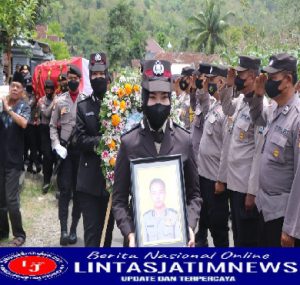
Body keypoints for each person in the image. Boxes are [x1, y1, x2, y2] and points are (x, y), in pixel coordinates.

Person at [112, 59, 201, 247]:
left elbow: (194, 196)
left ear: (170, 99)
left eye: (164, 97)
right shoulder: (129, 142)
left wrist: (190, 225)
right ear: (144, 99)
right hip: (139, 241)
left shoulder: (184, 141)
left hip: (176, 239)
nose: (159, 104)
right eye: (152, 97)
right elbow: (119, 200)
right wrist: (130, 233)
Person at [250, 53, 300, 247]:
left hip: (283, 216)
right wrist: (258, 94)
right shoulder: (274, 109)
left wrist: (291, 228)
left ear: (287, 80)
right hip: (265, 209)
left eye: (272, 78)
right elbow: (256, 118)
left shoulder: (297, 118)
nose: (268, 81)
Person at [219, 55, 265, 246]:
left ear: (255, 78)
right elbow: (227, 108)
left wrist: (252, 192)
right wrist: (229, 86)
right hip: (234, 185)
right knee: (237, 238)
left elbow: (258, 154)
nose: (239, 80)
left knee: (246, 242)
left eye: (241, 77)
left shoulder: (262, 109)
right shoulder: (242, 103)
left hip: (246, 188)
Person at [76, 52, 114, 247]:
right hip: (89, 182)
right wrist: (105, 142)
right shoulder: (83, 107)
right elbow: (80, 140)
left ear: (107, 75)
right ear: (90, 76)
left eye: (101, 74)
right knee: (92, 236)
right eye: (94, 74)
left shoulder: (118, 105)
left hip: (110, 184)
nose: (98, 77)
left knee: (106, 237)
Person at [195, 65, 230, 247]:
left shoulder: (227, 110)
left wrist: (221, 180)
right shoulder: (215, 104)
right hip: (204, 175)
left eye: (211, 79)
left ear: (222, 82)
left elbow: (226, 147)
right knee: (204, 220)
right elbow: (201, 99)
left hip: (215, 180)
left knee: (218, 228)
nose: (208, 82)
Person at [50, 64, 82, 246]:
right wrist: (56, 145)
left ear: (80, 80)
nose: (72, 81)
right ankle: (63, 229)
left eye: (75, 78)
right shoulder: (60, 101)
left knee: (78, 192)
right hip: (65, 151)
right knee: (64, 191)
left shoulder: (85, 100)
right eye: (69, 78)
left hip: (80, 152)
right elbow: (53, 126)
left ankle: (73, 230)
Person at [0, 72, 30, 246]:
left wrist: (9, 109)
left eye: (18, 87)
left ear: (22, 91)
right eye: (13, 86)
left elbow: (24, 123)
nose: (14, 89)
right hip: (1, 158)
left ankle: (19, 234)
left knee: (12, 200)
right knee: (1, 200)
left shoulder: (23, 106)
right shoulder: (1, 105)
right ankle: (3, 231)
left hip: (14, 161)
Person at [143, 178, 180, 243]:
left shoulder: (174, 215)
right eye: (154, 193)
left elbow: (179, 242)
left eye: (161, 192)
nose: (157, 196)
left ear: (165, 193)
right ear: (150, 195)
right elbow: (143, 245)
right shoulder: (145, 218)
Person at [37, 79, 56, 193]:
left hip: (55, 130)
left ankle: (54, 180)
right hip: (44, 130)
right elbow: (46, 113)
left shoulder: (58, 99)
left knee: (55, 156)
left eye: (50, 89)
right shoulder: (41, 101)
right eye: (46, 89)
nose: (48, 91)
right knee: (47, 156)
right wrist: (54, 103)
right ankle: (46, 181)